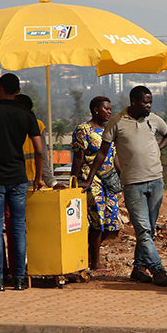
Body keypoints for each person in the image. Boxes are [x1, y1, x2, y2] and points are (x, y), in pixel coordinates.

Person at [80, 86, 167, 287]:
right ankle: (157, 269)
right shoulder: (116, 123)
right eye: (145, 102)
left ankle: (138, 268)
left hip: (156, 181)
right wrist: (89, 179)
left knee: (149, 230)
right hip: (132, 184)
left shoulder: (154, 119)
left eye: (150, 102)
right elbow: (102, 153)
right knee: (142, 230)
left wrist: (157, 147)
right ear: (134, 102)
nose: (149, 105)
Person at [0, 73, 44, 291]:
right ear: (19, 91)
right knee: (19, 227)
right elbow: (39, 150)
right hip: (19, 179)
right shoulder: (27, 115)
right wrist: (39, 178)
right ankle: (20, 278)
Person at [70, 96, 121, 272]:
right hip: (90, 180)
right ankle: (95, 263)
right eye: (106, 109)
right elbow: (78, 157)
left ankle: (85, 253)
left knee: (112, 221)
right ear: (96, 110)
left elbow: (113, 155)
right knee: (97, 219)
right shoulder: (83, 130)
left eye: (110, 109)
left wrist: (123, 178)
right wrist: (74, 181)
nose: (110, 112)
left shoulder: (109, 130)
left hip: (110, 180)